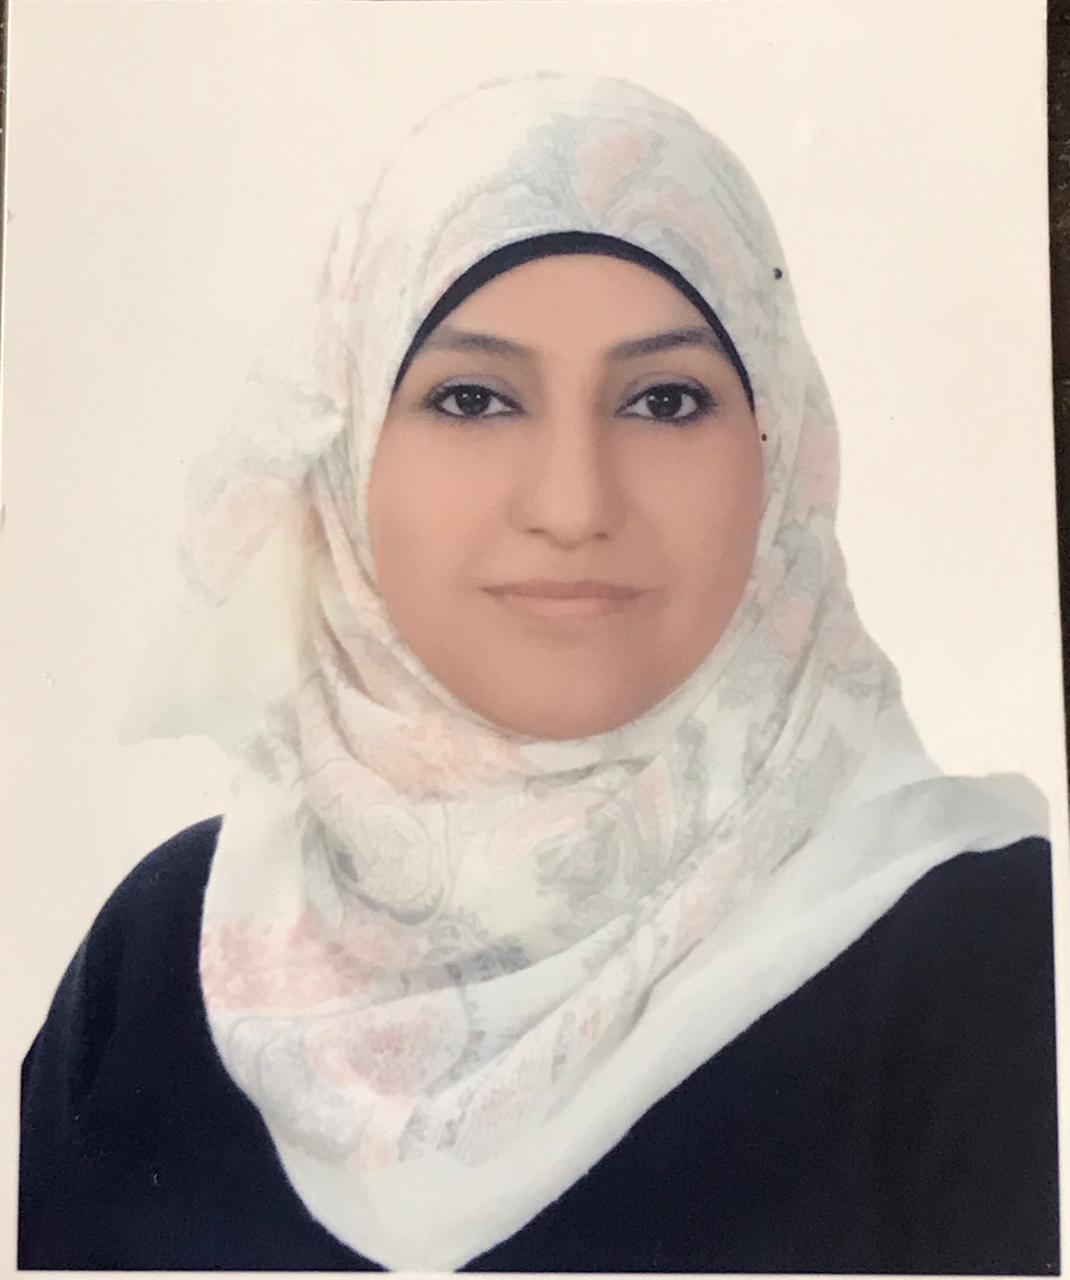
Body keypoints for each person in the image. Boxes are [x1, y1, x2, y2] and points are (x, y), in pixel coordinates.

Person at [18, 73, 1058, 1273]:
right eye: (473, 397)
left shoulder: (992, 961)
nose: (571, 503)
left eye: (664, 400)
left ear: (782, 455)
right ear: (344, 457)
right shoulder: (167, 949)